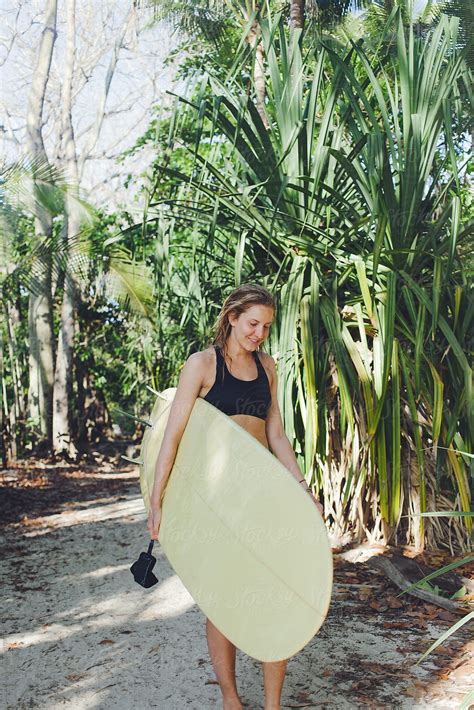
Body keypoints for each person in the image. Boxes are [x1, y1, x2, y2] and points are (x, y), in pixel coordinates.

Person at [147, 283, 324, 710]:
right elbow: (172, 437)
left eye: (265, 326)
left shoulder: (268, 366)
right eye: (252, 324)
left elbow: (276, 433)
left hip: (262, 497)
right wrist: (157, 499)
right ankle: (231, 698)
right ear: (231, 317)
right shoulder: (202, 365)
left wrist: (302, 489)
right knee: (223, 598)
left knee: (277, 594)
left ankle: (273, 705)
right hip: (217, 502)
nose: (259, 333)